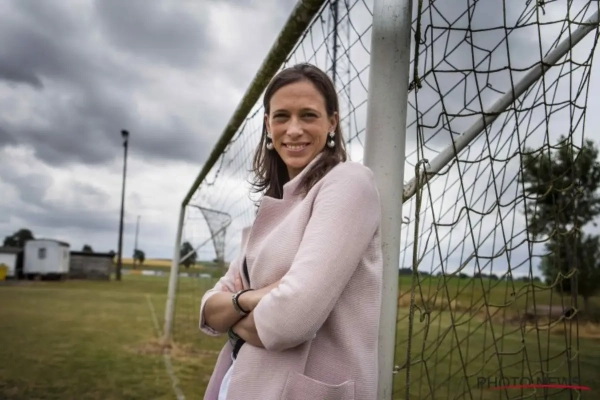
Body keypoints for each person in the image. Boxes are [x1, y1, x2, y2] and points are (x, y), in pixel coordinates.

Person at [199, 63, 383, 400]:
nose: (294, 129)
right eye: (282, 116)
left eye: (308, 115)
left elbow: (291, 319)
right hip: (238, 382)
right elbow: (210, 307)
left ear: (332, 122)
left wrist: (233, 314)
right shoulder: (272, 209)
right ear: (268, 125)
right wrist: (251, 298)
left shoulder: (348, 182)